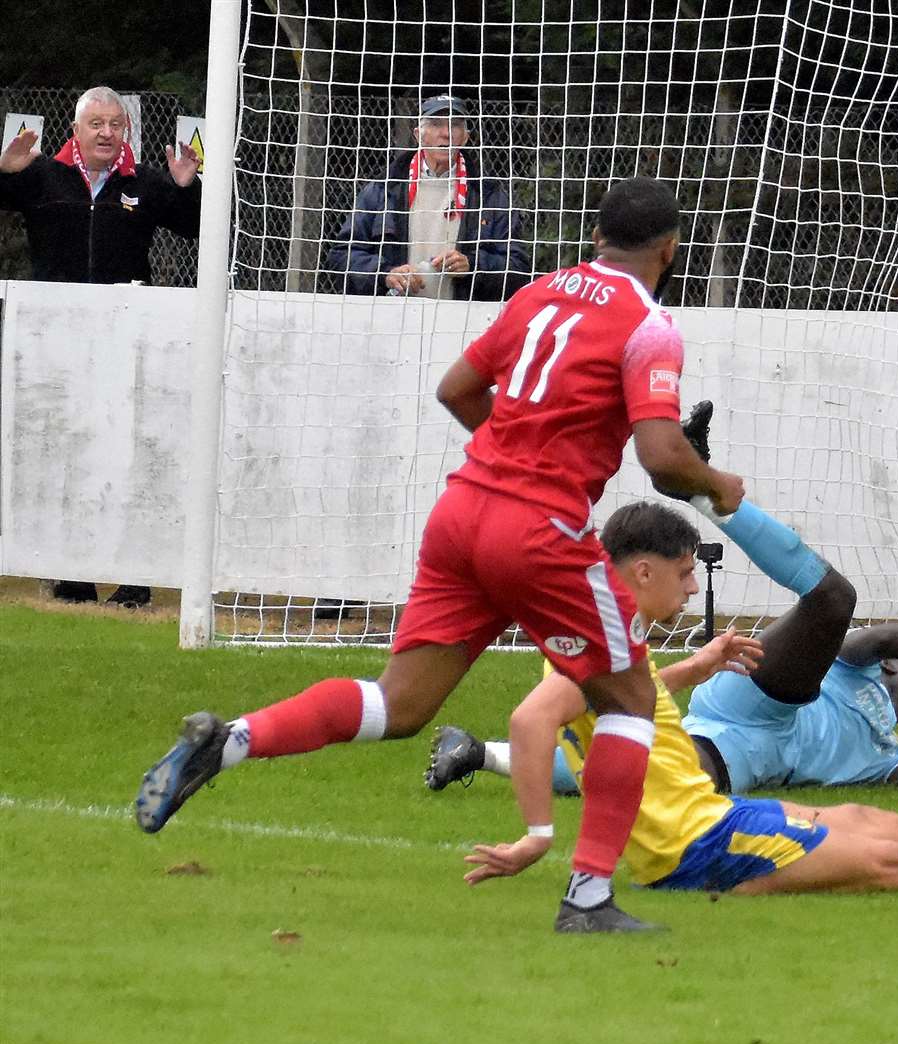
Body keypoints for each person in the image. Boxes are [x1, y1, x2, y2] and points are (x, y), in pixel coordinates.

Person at [134, 177, 746, 934]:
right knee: (625, 701)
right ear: (669, 249)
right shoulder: (649, 324)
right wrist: (716, 485)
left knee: (399, 704)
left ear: (595, 239)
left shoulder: (539, 292)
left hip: (462, 513)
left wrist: (514, 452)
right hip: (538, 531)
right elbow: (660, 456)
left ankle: (231, 742)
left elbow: (456, 389)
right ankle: (587, 900)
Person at [458, 499, 898, 902]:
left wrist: (695, 666)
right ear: (643, 570)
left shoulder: (613, 631)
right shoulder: (594, 633)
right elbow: (534, 716)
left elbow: (598, 702)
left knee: (862, 817)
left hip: (710, 816)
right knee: (887, 865)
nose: (693, 589)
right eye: (686, 573)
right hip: (695, 848)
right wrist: (537, 837)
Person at [427, 490, 898, 797]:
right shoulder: (853, 671)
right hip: (761, 699)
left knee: (647, 772)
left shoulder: (890, 752)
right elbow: (879, 636)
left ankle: (480, 754)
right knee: (833, 600)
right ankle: (706, 492)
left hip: (758, 758)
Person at [0, 85, 203, 608]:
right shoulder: (41, 173)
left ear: (126, 131)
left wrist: (188, 187)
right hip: (53, 342)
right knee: (62, 453)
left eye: (116, 124)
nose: (107, 133)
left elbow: (199, 228)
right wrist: (4, 173)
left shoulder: (145, 182)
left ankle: (134, 579)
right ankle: (71, 576)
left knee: (127, 454)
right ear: (76, 130)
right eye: (97, 124)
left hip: (126, 340)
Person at [325, 94, 529, 301]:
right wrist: (385, 274)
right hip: (393, 315)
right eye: (435, 124)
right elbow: (341, 256)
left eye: (455, 125)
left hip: (463, 319)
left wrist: (474, 266)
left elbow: (518, 266)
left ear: (466, 137)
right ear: (418, 134)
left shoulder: (488, 194)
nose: (446, 133)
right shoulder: (384, 188)